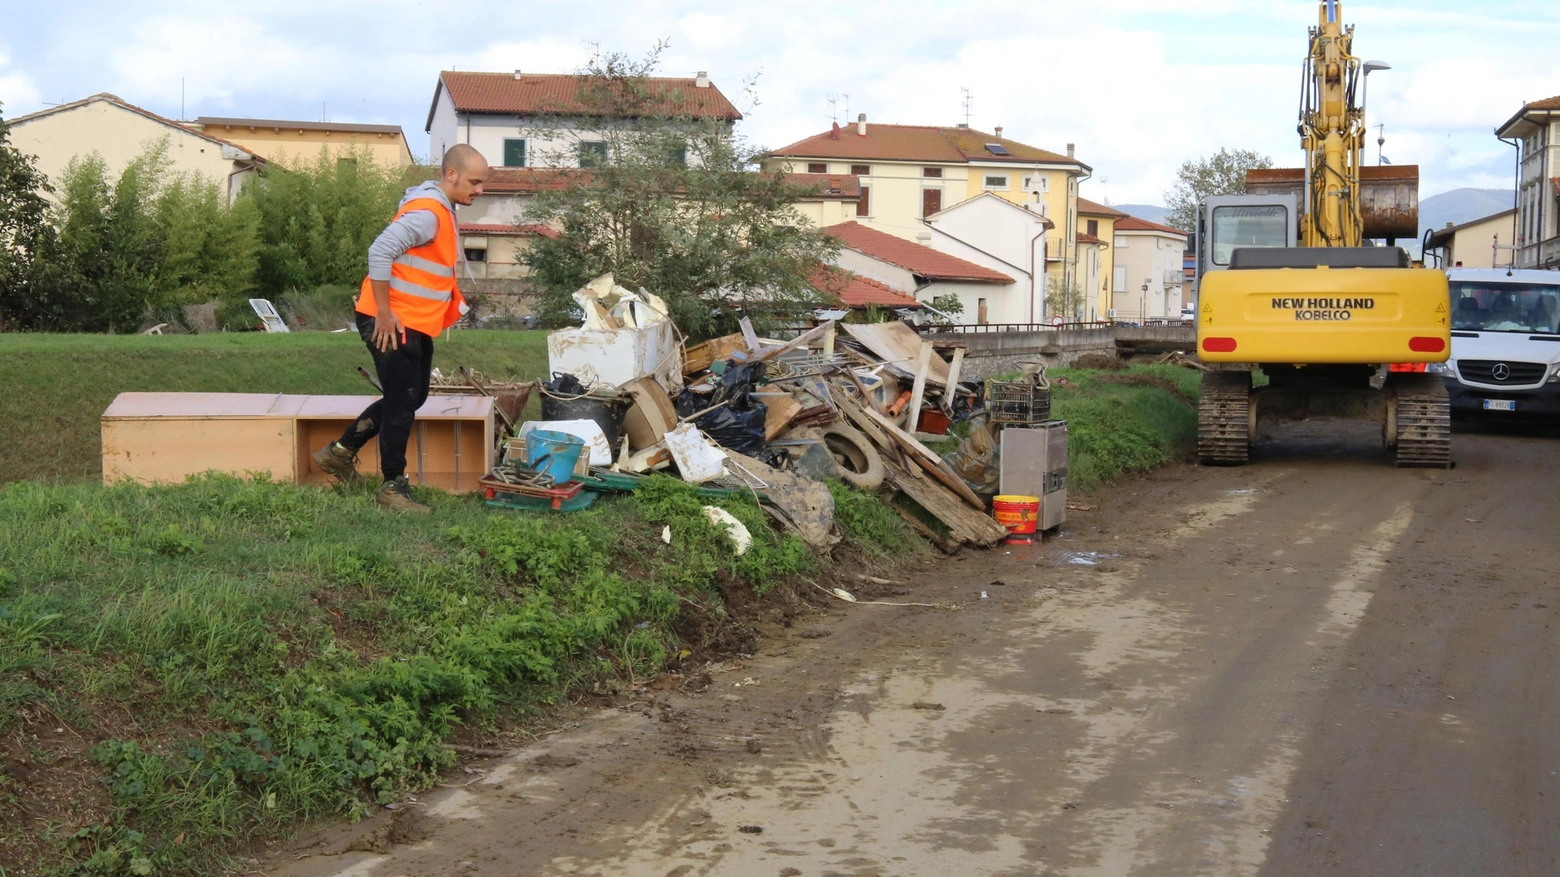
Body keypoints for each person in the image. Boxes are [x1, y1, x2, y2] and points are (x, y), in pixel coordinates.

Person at [311, 144, 487, 511]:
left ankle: (339, 452)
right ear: (450, 174)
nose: (480, 190)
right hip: (391, 320)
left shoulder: (439, 209)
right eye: (475, 181)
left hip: (411, 320)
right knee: (404, 401)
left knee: (411, 396)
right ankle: (392, 487)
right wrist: (386, 313)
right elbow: (379, 251)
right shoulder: (428, 213)